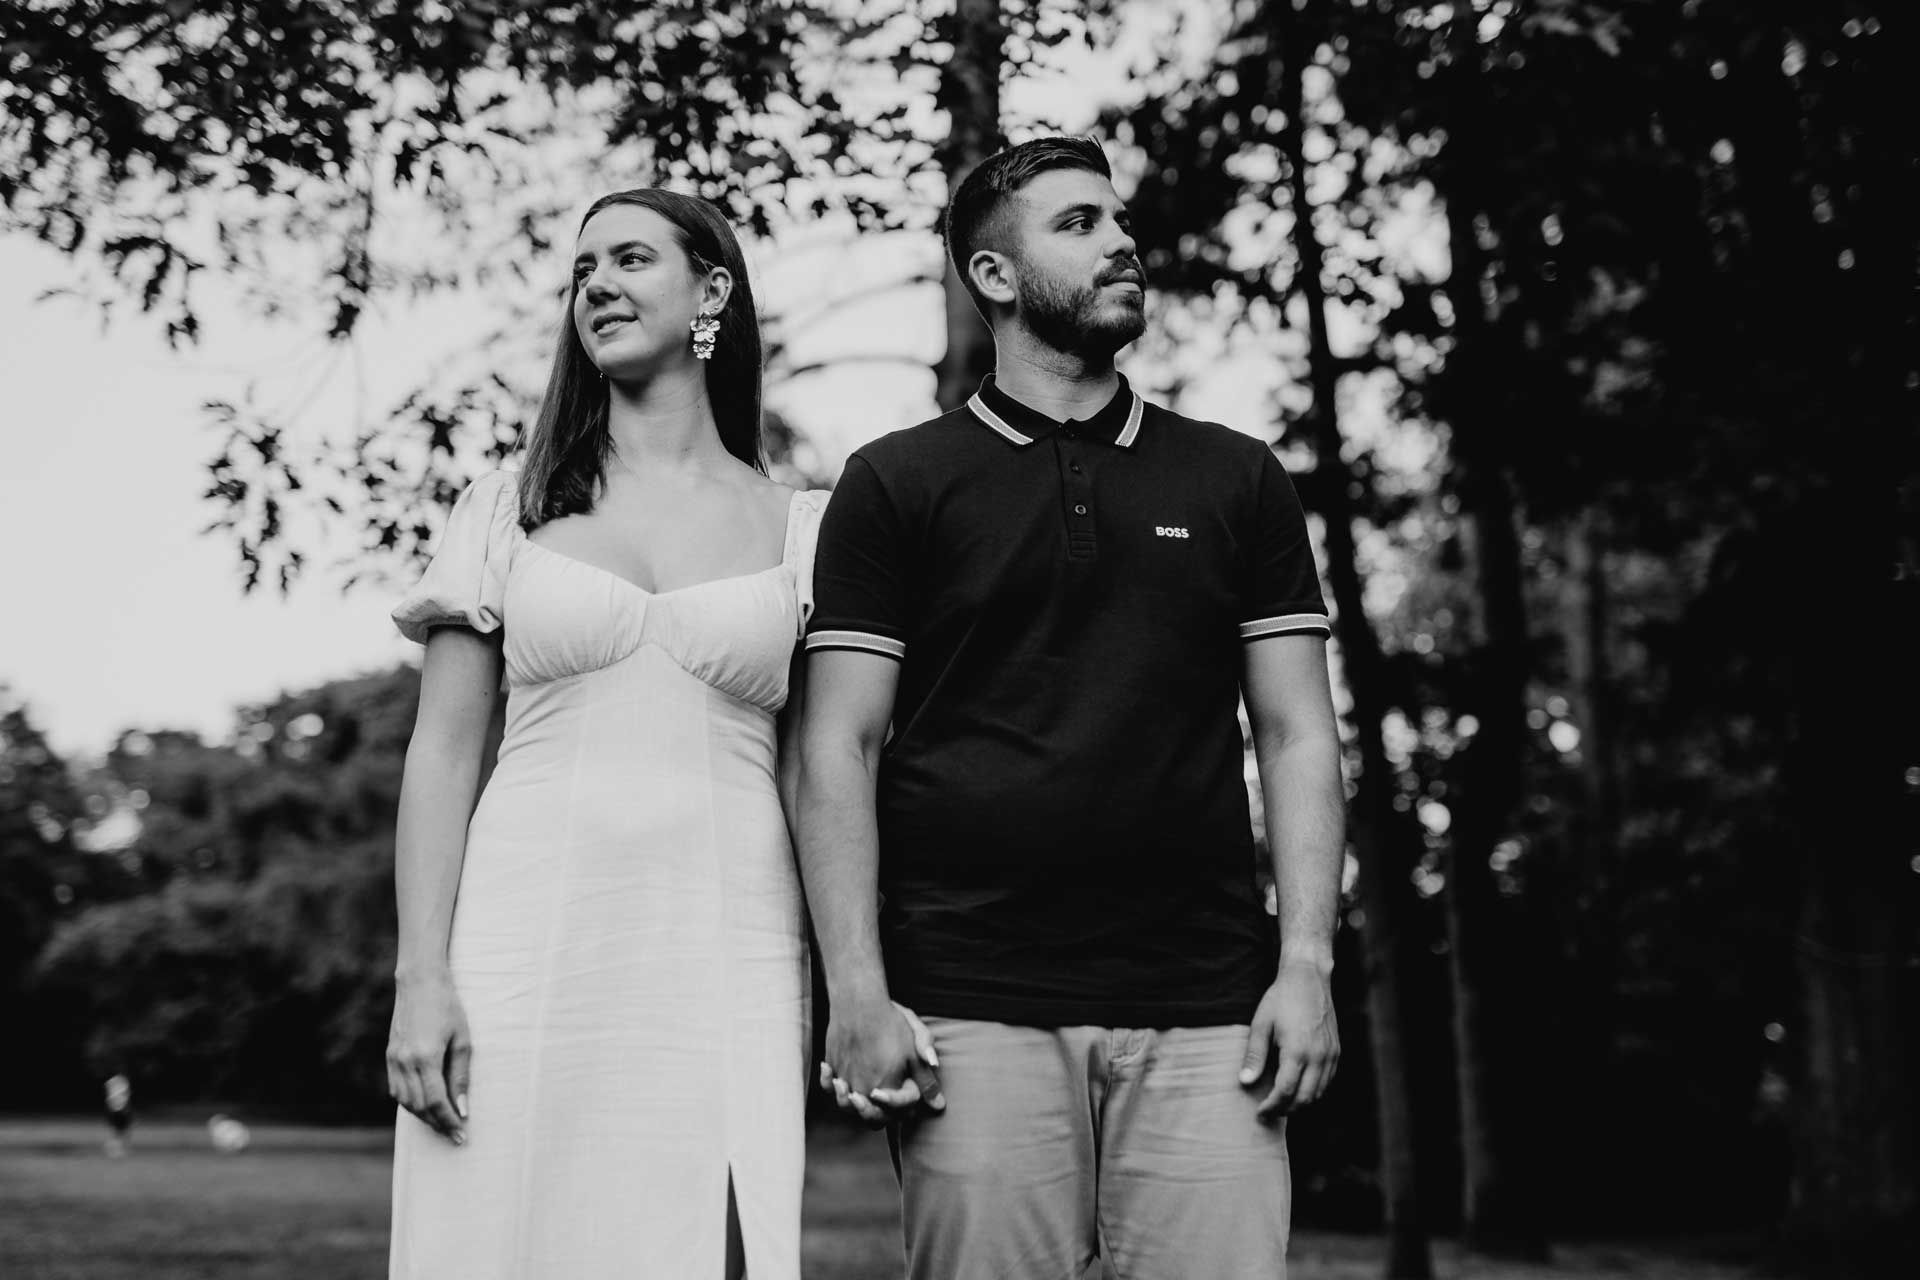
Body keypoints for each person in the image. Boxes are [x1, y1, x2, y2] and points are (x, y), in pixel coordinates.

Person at [797, 136, 1347, 1280]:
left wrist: (1306, 964)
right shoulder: (896, 481)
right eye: (1079, 224)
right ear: (994, 276)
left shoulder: (1236, 476)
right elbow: (838, 744)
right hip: (970, 1000)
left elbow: (1298, 733)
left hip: (1209, 1005)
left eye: (1121, 219)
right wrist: (855, 987)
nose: (1122, 243)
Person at [385, 188, 830, 1280]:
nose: (597, 286)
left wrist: (853, 979)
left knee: (713, 1238)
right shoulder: (508, 507)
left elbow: (824, 773)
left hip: (729, 942)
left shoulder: (807, 528)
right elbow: (442, 753)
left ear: (712, 291)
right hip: (522, 937)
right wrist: (420, 976)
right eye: (582, 270)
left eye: (630, 259)